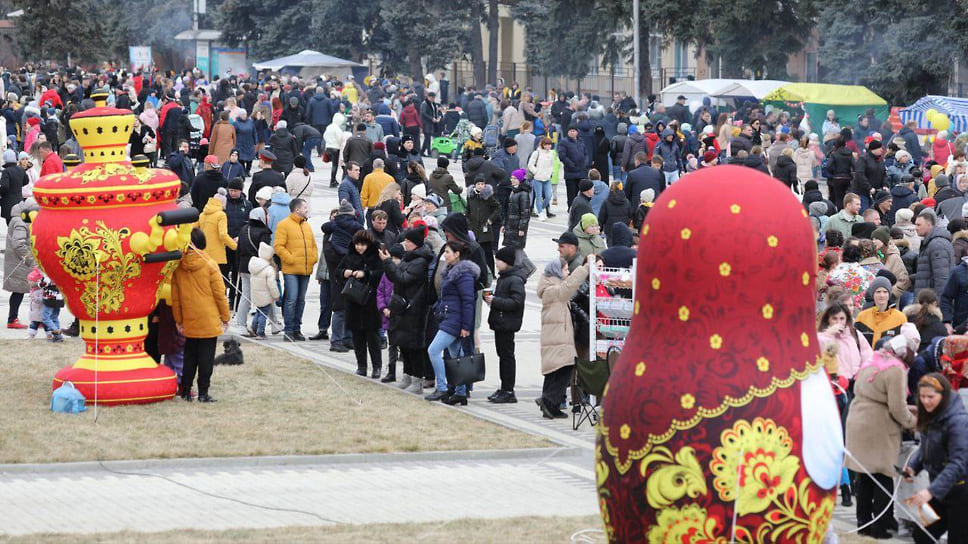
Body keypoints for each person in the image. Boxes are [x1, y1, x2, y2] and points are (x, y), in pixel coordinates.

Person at [845, 326, 919, 539]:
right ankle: (881, 528)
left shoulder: (873, 359)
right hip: (878, 424)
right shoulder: (895, 368)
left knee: (865, 476)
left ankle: (863, 526)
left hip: (857, 420)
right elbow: (897, 406)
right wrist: (912, 422)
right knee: (883, 475)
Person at [904, 373, 968, 544]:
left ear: (943, 395)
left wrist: (930, 491)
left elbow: (958, 462)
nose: (926, 401)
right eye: (922, 396)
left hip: (961, 491)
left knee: (958, 539)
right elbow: (925, 447)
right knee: (922, 535)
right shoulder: (929, 415)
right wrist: (913, 467)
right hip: (939, 489)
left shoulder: (958, 421)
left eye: (931, 397)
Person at [171, 228, 229, 403]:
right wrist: (225, 317)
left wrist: (179, 320)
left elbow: (176, 298)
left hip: (189, 318)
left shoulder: (178, 267)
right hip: (209, 318)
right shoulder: (210, 263)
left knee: (189, 356)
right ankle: (203, 392)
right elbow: (220, 294)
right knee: (206, 359)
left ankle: (186, 390)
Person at [425, 240, 480, 405]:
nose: (445, 255)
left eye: (447, 252)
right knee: (457, 356)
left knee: (433, 350)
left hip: (454, 321)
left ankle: (442, 388)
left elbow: (468, 301)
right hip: (450, 318)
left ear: (457, 254)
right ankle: (460, 393)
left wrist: (465, 326)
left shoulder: (464, 274)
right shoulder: (452, 271)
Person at [379, 228, 434, 391]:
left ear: (415, 243)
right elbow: (395, 276)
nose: (405, 244)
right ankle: (407, 376)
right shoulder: (409, 258)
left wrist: (388, 262)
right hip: (401, 305)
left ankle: (417, 380)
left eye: (408, 241)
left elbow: (402, 278)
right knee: (403, 342)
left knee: (413, 345)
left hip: (413, 307)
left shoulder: (420, 261)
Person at [536, 257, 589, 418]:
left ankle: (549, 404)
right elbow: (568, 287)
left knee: (555, 370)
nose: (568, 273)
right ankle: (548, 401)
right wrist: (585, 268)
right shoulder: (553, 290)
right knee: (564, 368)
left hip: (557, 337)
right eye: (566, 270)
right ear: (557, 272)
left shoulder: (551, 286)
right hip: (557, 338)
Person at [338, 230, 385, 378]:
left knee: (373, 337)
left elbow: (381, 273)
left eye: (363, 245)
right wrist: (344, 272)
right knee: (357, 337)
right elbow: (338, 271)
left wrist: (366, 273)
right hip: (353, 300)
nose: (360, 247)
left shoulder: (376, 256)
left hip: (371, 301)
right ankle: (361, 366)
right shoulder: (350, 255)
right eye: (357, 244)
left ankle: (377, 367)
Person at [322, 200, 365, 352]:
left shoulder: (332, 228)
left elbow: (324, 231)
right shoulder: (356, 227)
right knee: (346, 307)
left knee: (340, 307)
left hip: (336, 271)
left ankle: (341, 339)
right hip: (350, 270)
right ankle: (341, 340)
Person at [485, 246, 526, 404]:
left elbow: (516, 302)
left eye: (499, 260)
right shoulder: (505, 277)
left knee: (507, 357)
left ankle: (508, 390)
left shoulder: (514, 279)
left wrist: (496, 301)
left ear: (507, 262)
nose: (496, 263)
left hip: (507, 323)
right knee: (503, 356)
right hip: (500, 322)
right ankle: (504, 388)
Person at [274, 198, 318, 342]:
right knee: (291, 299)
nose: (307, 209)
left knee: (301, 300)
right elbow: (278, 246)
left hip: (305, 268)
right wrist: (290, 258)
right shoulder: (284, 225)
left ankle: (297, 329)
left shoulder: (306, 225)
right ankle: (289, 330)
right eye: (305, 207)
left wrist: (313, 258)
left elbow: (313, 245)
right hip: (291, 269)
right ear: (297, 209)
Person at [236, 207, 279, 334]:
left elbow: (238, 250)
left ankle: (241, 325)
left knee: (245, 296)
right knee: (267, 296)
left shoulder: (243, 229)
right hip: (260, 269)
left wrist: (237, 266)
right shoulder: (264, 232)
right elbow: (265, 252)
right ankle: (274, 324)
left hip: (244, 267)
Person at [818, 301, 873, 383]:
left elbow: (868, 357)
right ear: (828, 320)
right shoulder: (821, 337)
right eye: (834, 318)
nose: (838, 322)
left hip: (855, 383)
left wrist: (861, 374)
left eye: (842, 318)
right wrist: (829, 334)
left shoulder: (855, 334)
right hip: (834, 384)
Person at [4, 198, 36, 329]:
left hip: (22, 261)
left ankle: (37, 319)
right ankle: (12, 319)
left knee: (35, 290)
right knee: (19, 290)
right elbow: (18, 244)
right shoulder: (21, 221)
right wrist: (30, 259)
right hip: (19, 262)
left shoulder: (22, 219)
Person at [198, 188, 238, 286]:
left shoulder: (202, 214)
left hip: (204, 254)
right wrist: (235, 246)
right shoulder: (221, 215)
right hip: (217, 256)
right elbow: (223, 235)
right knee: (218, 285)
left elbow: (193, 229)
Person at [854, 276, 907, 347]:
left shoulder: (900, 318)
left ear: (889, 294)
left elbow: (904, 345)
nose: (882, 295)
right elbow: (855, 343)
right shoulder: (862, 317)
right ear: (873, 294)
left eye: (885, 292)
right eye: (878, 292)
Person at [465, 176, 501, 277]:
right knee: (473, 250)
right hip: (473, 227)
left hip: (484, 228)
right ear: (475, 185)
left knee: (487, 252)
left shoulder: (488, 196)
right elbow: (468, 209)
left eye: (482, 184)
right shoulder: (470, 195)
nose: (480, 186)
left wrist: (490, 219)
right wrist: (467, 220)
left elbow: (497, 207)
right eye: (478, 184)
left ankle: (491, 273)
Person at [914, 209, 955, 295]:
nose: (916, 228)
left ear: (929, 225)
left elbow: (942, 278)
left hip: (931, 302)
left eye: (919, 225)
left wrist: (939, 305)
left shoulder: (937, 245)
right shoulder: (930, 243)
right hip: (927, 299)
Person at [247, 242, 280, 340]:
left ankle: (253, 327)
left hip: (256, 294)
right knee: (263, 314)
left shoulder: (254, 265)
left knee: (259, 311)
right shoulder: (269, 269)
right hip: (265, 295)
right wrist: (276, 295)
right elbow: (272, 285)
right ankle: (260, 332)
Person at [527, 136, 556, 220]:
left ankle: (541, 209)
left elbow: (552, 165)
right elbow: (530, 164)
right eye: (546, 144)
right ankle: (540, 213)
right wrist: (536, 172)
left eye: (550, 144)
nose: (548, 146)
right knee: (538, 196)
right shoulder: (537, 152)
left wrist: (551, 173)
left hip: (547, 178)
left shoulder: (551, 153)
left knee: (548, 196)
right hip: (538, 178)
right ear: (542, 145)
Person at [559, 125, 587, 207]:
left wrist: (585, 163)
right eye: (570, 131)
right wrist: (571, 165)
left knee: (580, 193)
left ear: (577, 132)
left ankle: (578, 208)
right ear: (568, 132)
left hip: (581, 172)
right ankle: (571, 208)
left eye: (573, 131)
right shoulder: (564, 142)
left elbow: (586, 153)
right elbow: (562, 156)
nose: (572, 132)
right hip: (570, 172)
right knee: (571, 193)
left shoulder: (581, 141)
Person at [502, 169, 531, 250]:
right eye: (511, 178)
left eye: (515, 178)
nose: (512, 180)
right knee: (512, 250)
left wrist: (522, 228)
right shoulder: (513, 191)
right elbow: (508, 211)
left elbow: (525, 213)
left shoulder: (523, 194)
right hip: (510, 226)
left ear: (520, 180)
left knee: (518, 251)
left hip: (517, 227)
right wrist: (504, 224)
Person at [598, 181, 631, 245]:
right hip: (623, 229)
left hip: (610, 230)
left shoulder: (606, 202)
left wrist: (600, 229)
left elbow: (601, 218)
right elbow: (630, 216)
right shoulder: (627, 202)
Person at [0, 149, 27, 225]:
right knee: (19, 223)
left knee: (10, 225)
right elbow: (26, 181)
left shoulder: (6, 171)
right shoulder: (21, 169)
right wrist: (18, 185)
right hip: (19, 200)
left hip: (8, 203)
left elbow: (4, 186)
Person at [324, 112, 348, 187]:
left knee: (333, 165)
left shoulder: (329, 127)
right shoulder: (337, 129)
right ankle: (332, 180)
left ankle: (333, 180)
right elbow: (340, 138)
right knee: (335, 165)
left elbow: (324, 136)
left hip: (328, 147)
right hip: (335, 148)